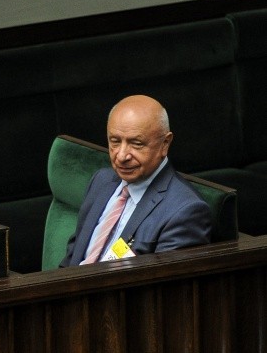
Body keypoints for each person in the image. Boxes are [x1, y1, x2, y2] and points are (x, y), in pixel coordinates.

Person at [60, 95, 213, 267]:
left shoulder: (185, 212)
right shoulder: (101, 181)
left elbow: (163, 289)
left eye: (136, 144)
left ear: (165, 144)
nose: (122, 156)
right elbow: (73, 257)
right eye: (115, 141)